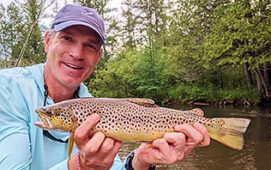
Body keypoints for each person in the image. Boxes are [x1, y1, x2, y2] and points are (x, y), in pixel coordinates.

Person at [0, 4, 210, 170]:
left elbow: (111, 167)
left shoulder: (97, 107)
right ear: (47, 41)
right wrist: (81, 166)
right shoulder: (7, 88)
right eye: (67, 38)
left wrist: (139, 162)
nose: (77, 53)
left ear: (98, 57)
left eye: (90, 45)